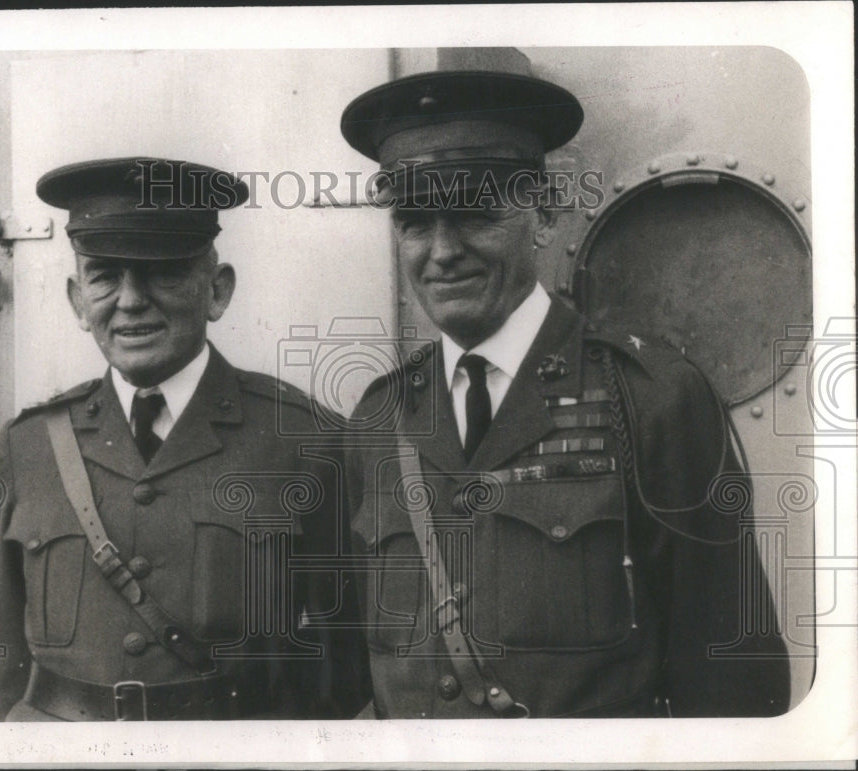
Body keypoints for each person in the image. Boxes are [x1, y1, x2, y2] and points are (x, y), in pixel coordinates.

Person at [339, 52, 791, 718]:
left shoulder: (652, 399)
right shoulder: (379, 420)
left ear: (544, 213)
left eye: (472, 214)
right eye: (414, 222)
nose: (440, 251)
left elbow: (732, 679)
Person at [0, 157, 368, 721]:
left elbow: (347, 660)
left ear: (217, 291)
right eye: (104, 275)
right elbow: (1, 658)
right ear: (77, 302)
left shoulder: (305, 440)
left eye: (163, 272)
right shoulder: (25, 446)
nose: (131, 300)